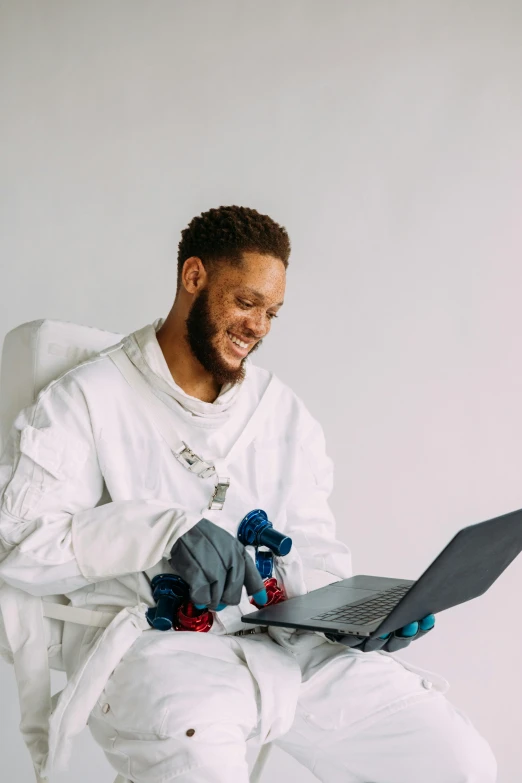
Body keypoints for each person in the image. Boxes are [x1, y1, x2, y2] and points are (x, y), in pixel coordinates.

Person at [0, 206, 496, 782]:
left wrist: (360, 617)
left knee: (456, 762)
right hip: (163, 653)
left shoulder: (279, 411)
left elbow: (314, 547)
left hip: (290, 646)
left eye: (272, 313)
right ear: (194, 278)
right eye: (245, 303)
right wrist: (159, 532)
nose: (258, 327)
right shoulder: (90, 398)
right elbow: (20, 544)